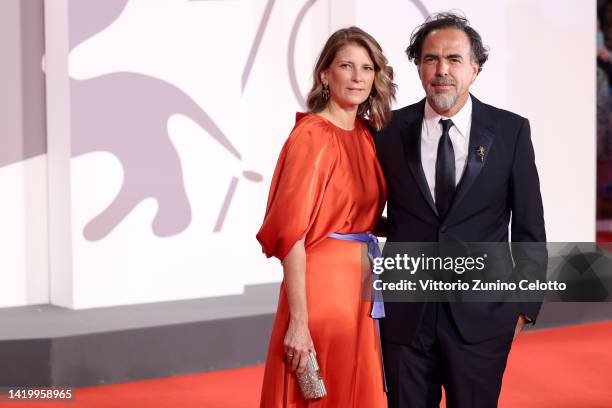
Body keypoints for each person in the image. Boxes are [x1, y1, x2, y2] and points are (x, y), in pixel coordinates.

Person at [375, 12, 546, 407]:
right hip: (406, 316)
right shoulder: (387, 131)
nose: (442, 70)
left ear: (475, 67)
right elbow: (365, 208)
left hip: (483, 318)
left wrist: (523, 308)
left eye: (454, 59)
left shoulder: (510, 131)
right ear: (418, 68)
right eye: (430, 59)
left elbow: (529, 228)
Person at [256, 26, 396, 407]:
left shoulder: (368, 135)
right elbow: (291, 234)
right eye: (346, 66)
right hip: (321, 290)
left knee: (356, 388)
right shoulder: (312, 136)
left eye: (366, 68)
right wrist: (299, 321)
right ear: (325, 74)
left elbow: (357, 216)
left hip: (362, 286)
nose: (357, 77)